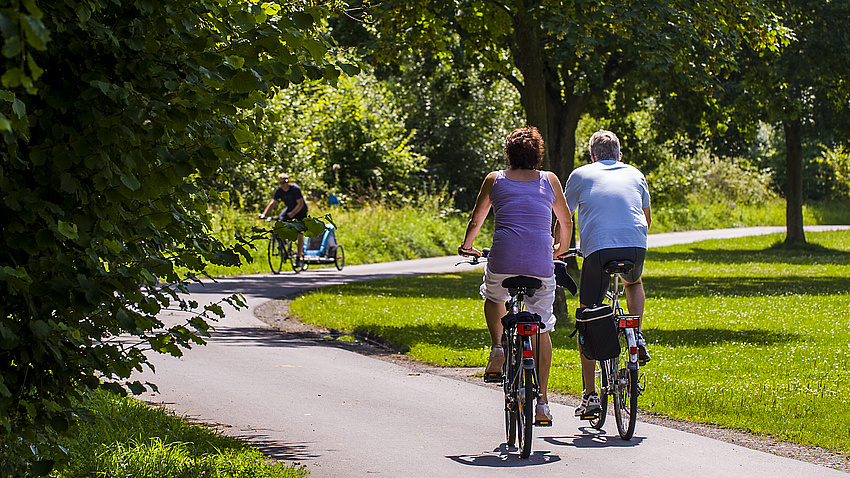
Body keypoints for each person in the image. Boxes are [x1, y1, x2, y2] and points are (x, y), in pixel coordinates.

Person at [458, 126, 573, 426]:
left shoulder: (494, 180)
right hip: (540, 265)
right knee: (543, 328)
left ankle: (498, 347)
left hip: (503, 262)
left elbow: (477, 219)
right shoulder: (550, 180)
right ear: (538, 153)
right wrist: (559, 248)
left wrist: (468, 247)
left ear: (509, 153)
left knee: (493, 296)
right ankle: (543, 403)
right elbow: (565, 220)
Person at [562, 130, 651, 418]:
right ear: (620, 154)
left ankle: (589, 396)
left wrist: (560, 249)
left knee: (587, 316)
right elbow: (646, 218)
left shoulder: (580, 174)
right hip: (635, 246)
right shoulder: (636, 174)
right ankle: (636, 332)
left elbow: (564, 218)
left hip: (599, 250)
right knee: (633, 281)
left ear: (593, 156)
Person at [259, 173, 308, 263]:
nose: (283, 185)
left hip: (300, 211)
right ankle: (282, 241)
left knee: (300, 233)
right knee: (279, 222)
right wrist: (264, 214)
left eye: (285, 182)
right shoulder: (279, 191)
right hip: (289, 210)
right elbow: (273, 203)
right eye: (281, 183)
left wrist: (293, 213)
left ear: (288, 181)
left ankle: (298, 256)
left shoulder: (295, 189)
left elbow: (300, 204)